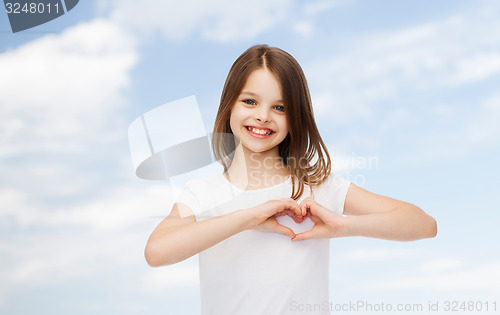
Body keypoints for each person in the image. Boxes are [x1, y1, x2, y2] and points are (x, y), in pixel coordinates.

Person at [144, 44, 437, 315]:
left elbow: (424, 224)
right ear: (229, 106)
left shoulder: (317, 186)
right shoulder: (203, 193)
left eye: (280, 107)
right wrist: (247, 218)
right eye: (250, 101)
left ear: (296, 117)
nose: (262, 116)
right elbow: (157, 252)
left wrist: (344, 226)